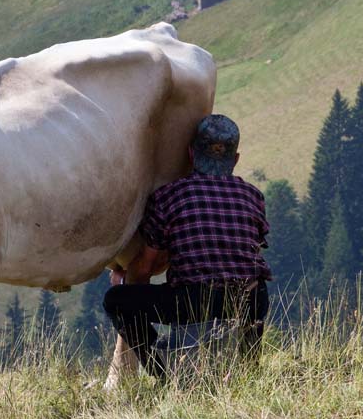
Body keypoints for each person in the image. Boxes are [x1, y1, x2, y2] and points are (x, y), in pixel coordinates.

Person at [103, 114, 271, 378]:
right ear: (235, 159)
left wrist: (124, 279)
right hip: (250, 299)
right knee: (254, 296)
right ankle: (248, 372)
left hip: (193, 301)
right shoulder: (253, 196)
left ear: (191, 155)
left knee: (116, 301)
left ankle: (164, 375)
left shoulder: (169, 196)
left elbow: (146, 266)